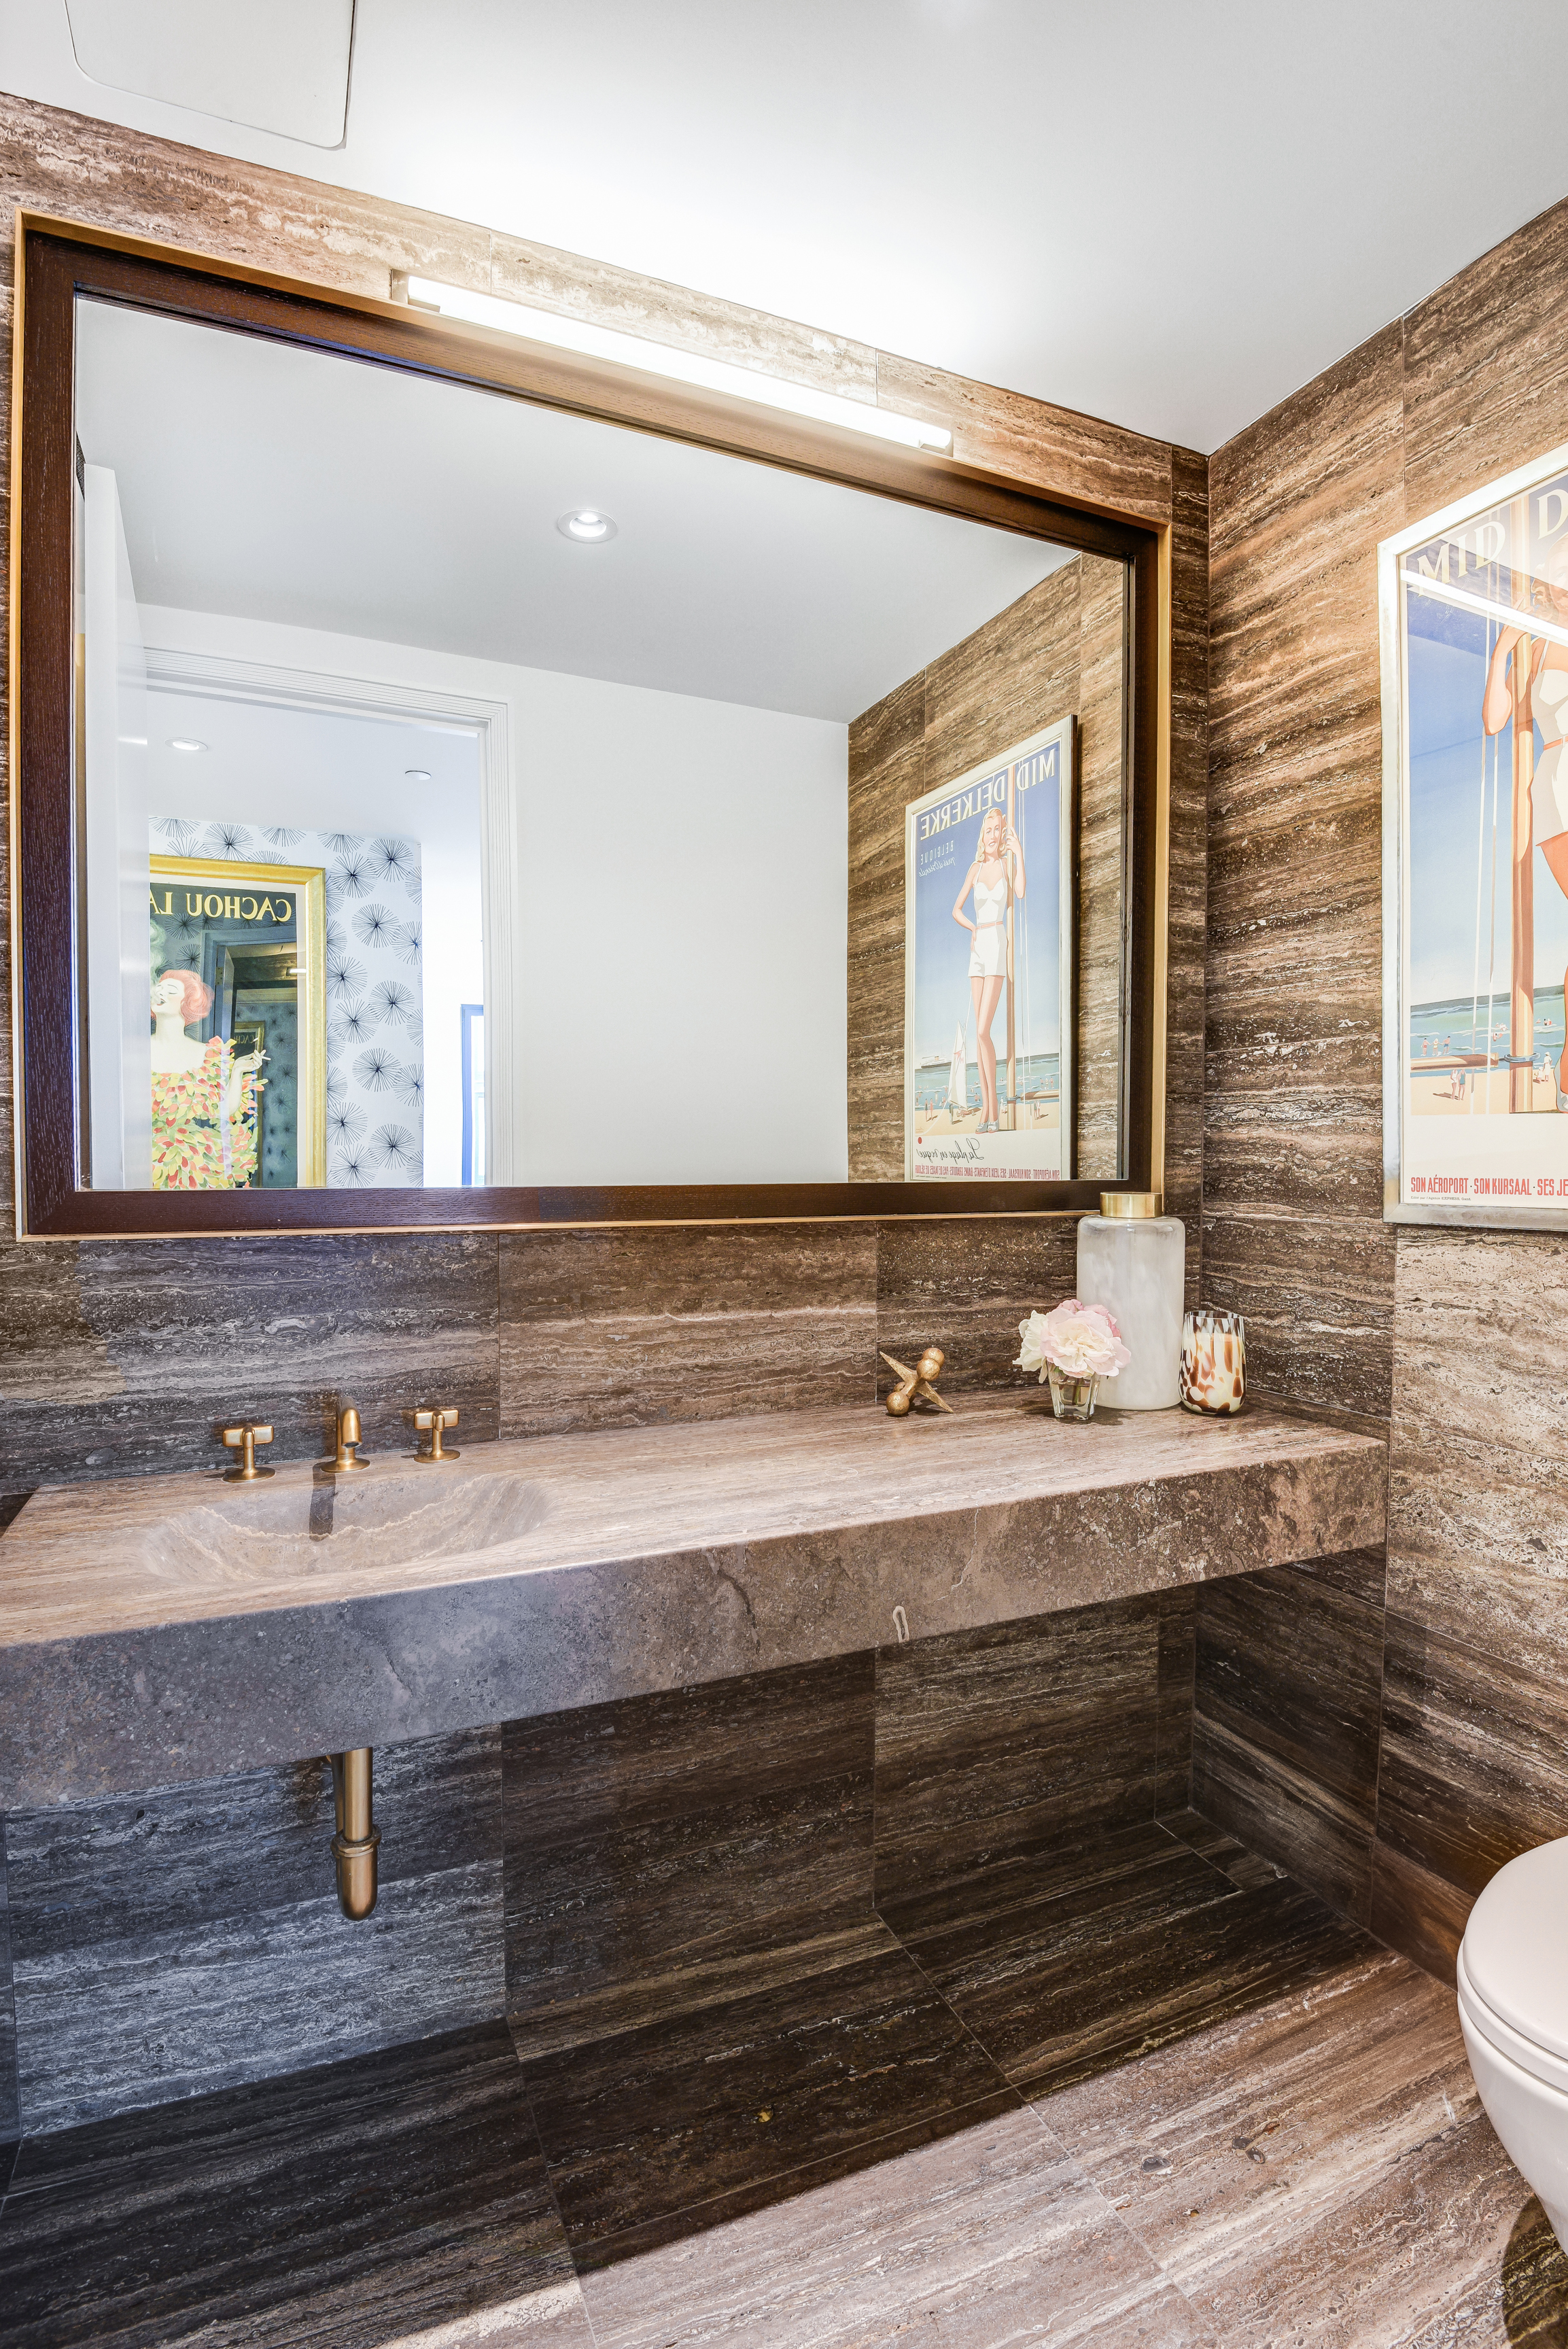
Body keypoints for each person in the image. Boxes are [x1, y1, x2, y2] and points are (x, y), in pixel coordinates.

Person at [1484, 535, 1568, 1106]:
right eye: (1555, 576)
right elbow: (1494, 720)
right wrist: (1502, 645)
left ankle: (1565, 1067)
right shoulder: (1534, 648)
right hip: (1560, 779)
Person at [150, 967, 265, 1189]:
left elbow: (223, 1110)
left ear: (188, 1002)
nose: (159, 993)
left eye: (170, 990)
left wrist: (239, 1070)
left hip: (195, 1161)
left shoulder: (207, 1054)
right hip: (141, 1158)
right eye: (159, 988)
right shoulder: (134, 1050)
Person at [950, 804, 1025, 1133]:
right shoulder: (975, 869)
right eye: (989, 830)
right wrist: (972, 930)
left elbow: (1020, 892)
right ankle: (985, 1111)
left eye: (998, 829)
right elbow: (956, 909)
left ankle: (992, 1107)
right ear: (983, 835)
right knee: (980, 1038)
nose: (993, 835)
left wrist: (1019, 852)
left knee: (982, 1031)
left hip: (997, 942)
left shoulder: (1008, 866)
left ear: (1003, 833)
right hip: (979, 945)